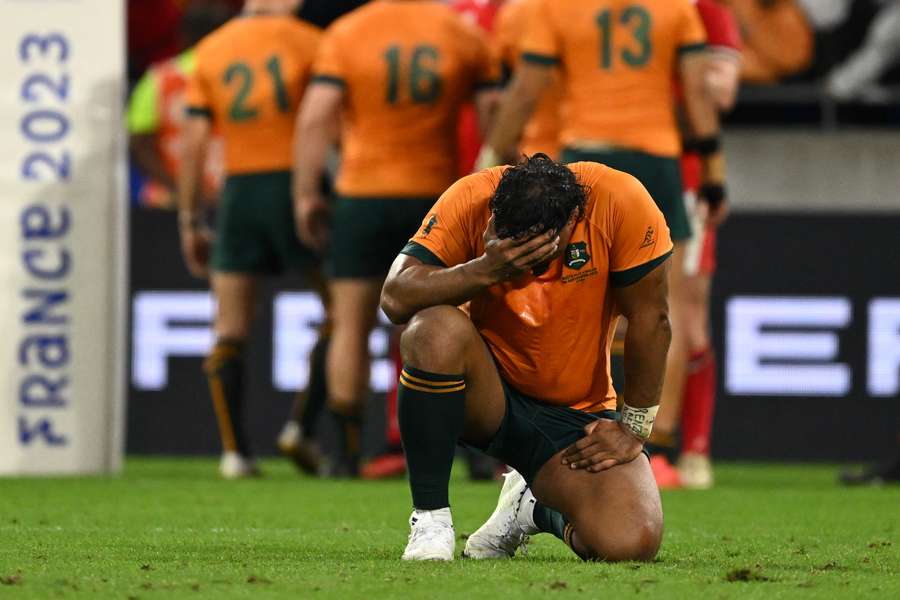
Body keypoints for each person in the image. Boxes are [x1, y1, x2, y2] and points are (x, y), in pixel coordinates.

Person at [477, 0, 725, 486]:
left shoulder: (556, 8)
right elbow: (696, 91)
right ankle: (661, 448)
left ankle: (543, 437)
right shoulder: (675, 8)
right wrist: (714, 170)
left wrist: (488, 159)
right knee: (657, 306)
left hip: (585, 154)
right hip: (657, 158)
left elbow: (526, 90)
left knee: (559, 297)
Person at [381, 154, 671, 562]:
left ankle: (531, 508)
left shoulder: (619, 201)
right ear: (494, 215)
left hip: (575, 416)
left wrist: (634, 426)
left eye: (536, 249)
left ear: (572, 221)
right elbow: (394, 297)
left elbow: (651, 318)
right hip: (485, 394)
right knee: (431, 329)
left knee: (630, 543)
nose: (524, 263)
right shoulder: (470, 197)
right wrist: (485, 268)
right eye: (509, 241)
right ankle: (431, 519)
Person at [293, 0, 499, 476]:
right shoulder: (460, 33)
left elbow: (314, 118)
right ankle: (473, 450)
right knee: (452, 319)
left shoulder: (347, 32)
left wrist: (306, 194)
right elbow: (492, 111)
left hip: (362, 194)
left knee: (350, 323)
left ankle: (345, 455)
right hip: (436, 196)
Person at [179, 0, 324, 478]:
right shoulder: (310, 39)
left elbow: (195, 139)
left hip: (239, 190)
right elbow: (327, 121)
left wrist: (189, 218)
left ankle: (235, 453)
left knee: (229, 326)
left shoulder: (212, 49)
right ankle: (302, 428)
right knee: (343, 313)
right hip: (296, 183)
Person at [674, 0, 743, 489]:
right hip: (609, 166)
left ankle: (692, 448)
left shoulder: (708, 9)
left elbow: (719, 93)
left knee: (689, 311)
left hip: (684, 173)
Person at [127, 2, 231, 208]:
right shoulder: (241, 80)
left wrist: (177, 188)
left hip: (167, 199)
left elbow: (139, 143)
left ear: (182, 36)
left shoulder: (157, 80)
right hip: (228, 197)